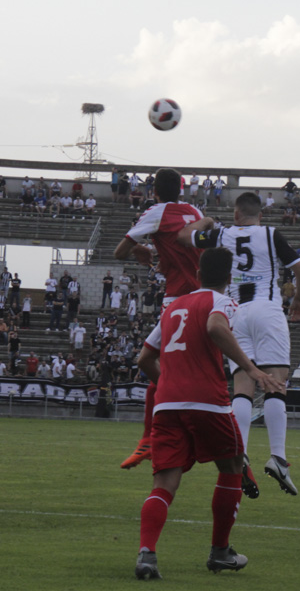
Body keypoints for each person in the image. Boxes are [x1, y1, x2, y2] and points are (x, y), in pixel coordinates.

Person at [133, 247, 281, 580]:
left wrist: (170, 383)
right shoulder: (223, 302)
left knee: (164, 483)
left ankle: (147, 555)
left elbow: (144, 358)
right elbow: (215, 328)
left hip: (167, 405)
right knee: (232, 464)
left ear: (197, 276)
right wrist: (252, 369)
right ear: (229, 279)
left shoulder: (173, 307)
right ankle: (219, 552)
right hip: (208, 402)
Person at [179, 191, 300, 497]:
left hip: (235, 312)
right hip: (267, 309)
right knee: (276, 383)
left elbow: (184, 237)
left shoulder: (220, 234)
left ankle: (241, 451)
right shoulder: (270, 234)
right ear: (259, 215)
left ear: (236, 215)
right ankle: (278, 457)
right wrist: (299, 300)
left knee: (242, 386)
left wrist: (206, 221)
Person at [114, 168, 204, 469]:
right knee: (197, 369)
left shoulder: (156, 212)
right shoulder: (194, 210)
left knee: (153, 363)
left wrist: (140, 248)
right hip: (206, 298)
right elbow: (189, 246)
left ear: (154, 192)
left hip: (177, 299)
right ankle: (189, 433)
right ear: (181, 189)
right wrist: (156, 249)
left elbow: (119, 252)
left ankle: (150, 438)